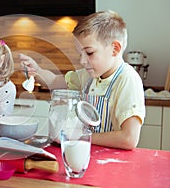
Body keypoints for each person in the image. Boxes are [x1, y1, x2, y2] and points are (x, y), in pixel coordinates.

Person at [20, 10, 145, 150]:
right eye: (80, 54)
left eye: (89, 53)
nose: (82, 61)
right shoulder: (88, 76)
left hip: (113, 159)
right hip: (87, 152)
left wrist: (79, 136)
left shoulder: (127, 80)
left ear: (114, 49)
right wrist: (37, 71)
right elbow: (54, 81)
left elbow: (129, 138)